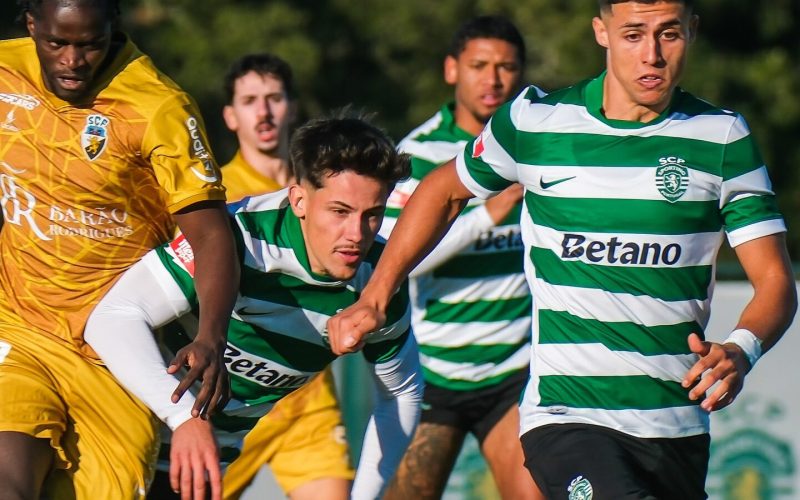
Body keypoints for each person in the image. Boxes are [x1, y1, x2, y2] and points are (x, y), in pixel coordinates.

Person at [327, 1, 798, 498]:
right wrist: (376, 294)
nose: (652, 55)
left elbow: (774, 283)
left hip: (675, 426)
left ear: (692, 32)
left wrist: (741, 350)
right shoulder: (536, 123)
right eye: (634, 34)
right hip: (567, 412)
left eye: (669, 34)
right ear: (602, 31)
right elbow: (443, 190)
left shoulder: (724, 137)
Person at [85, 114, 423, 500]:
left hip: (199, 473)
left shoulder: (377, 284)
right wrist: (181, 418)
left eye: (372, 215)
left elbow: (403, 394)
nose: (356, 234)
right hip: (116, 441)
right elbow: (112, 318)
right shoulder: (240, 237)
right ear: (299, 199)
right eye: (340, 211)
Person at [0, 0, 239, 498]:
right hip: (19, 329)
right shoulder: (5, 72)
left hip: (114, 351)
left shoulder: (159, 107)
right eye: (57, 43)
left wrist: (212, 337)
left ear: (114, 29)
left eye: (89, 44)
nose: (71, 60)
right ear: (31, 26)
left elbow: (212, 234)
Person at [146, 53, 356, 500]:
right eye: (249, 100)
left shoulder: (327, 197)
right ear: (230, 115)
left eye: (274, 98)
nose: (263, 111)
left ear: (292, 108)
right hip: (229, 405)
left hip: (309, 407)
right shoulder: (209, 198)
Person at [379, 16, 541, 500]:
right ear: (452, 70)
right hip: (432, 374)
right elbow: (396, 258)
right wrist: (485, 215)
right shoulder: (417, 153)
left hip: (515, 372)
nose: (493, 80)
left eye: (506, 67)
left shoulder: (539, 147)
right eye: (479, 66)